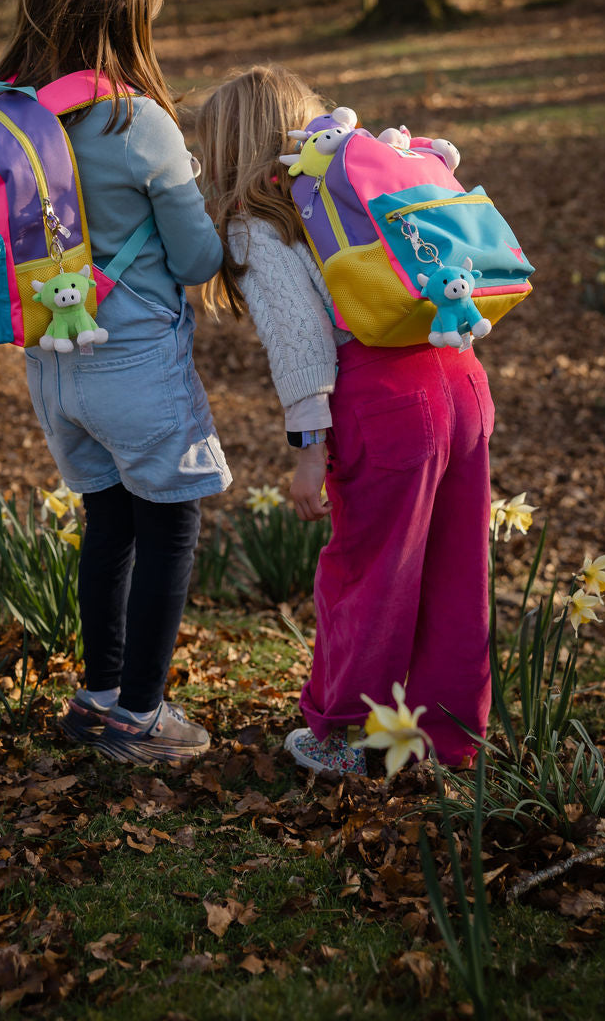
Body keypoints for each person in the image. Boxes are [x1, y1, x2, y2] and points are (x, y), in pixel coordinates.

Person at [198, 64, 492, 776]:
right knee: (456, 565)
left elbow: (301, 342)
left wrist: (308, 445)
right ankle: (446, 734)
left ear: (228, 148)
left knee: (369, 571)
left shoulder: (255, 226)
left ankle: (343, 733)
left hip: (384, 401)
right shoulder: (353, 192)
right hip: (460, 378)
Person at [0, 0, 230, 765]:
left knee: (109, 520)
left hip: (52, 364)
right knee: (171, 524)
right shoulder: (138, 124)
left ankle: (98, 695)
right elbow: (199, 254)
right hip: (133, 362)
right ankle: (139, 716)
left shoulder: (12, 114)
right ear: (129, 18)